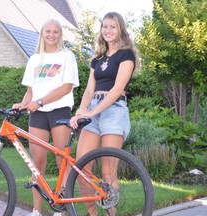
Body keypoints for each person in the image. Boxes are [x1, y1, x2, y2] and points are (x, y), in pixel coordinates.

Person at [69, 12, 140, 215]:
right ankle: (93, 214)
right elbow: (89, 91)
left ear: (120, 30)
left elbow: (117, 89)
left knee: (108, 173)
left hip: (114, 111)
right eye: (105, 27)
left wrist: (91, 112)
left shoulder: (126, 55)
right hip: (93, 110)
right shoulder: (97, 58)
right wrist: (82, 110)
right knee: (82, 168)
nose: (108, 31)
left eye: (113, 27)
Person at [13, 19, 79, 216]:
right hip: (37, 116)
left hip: (60, 112)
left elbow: (66, 87)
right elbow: (30, 92)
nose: (51, 35)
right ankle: (36, 211)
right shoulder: (35, 59)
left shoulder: (67, 57)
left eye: (56, 32)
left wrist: (40, 102)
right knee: (37, 163)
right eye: (48, 31)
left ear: (60, 35)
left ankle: (62, 208)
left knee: (62, 161)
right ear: (42, 34)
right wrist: (23, 104)